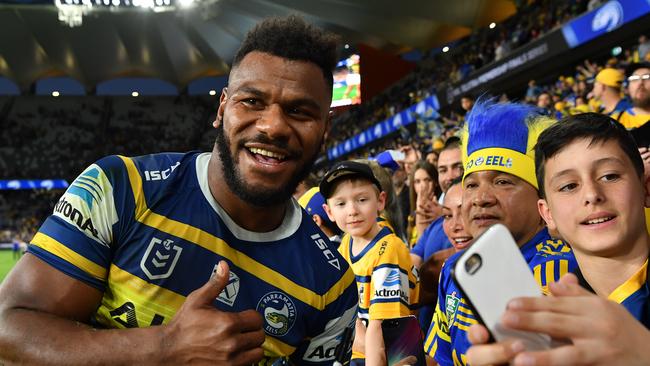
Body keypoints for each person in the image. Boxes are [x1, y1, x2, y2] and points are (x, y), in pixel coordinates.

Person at [0, 16, 358, 365]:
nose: (273, 126)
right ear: (222, 108)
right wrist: (161, 348)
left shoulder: (332, 285)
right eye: (252, 101)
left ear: (325, 131)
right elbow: (9, 328)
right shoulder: (120, 188)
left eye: (300, 111)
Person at [466, 113, 650, 366]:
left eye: (609, 176)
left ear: (646, 188)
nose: (591, 195)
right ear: (547, 214)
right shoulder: (559, 325)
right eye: (568, 186)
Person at [423, 100, 577, 366]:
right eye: (471, 184)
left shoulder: (562, 271)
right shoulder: (455, 268)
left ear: (542, 200)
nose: (480, 198)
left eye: (502, 181)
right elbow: (437, 359)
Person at [320, 160, 419, 366]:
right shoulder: (346, 242)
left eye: (362, 199)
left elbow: (380, 328)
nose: (352, 210)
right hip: (357, 351)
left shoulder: (388, 249)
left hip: (389, 356)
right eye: (341, 204)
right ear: (329, 212)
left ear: (380, 201)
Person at [616, 62, 650, 129]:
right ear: (627, 88)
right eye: (634, 78)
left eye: (647, 77)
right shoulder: (616, 121)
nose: (640, 82)